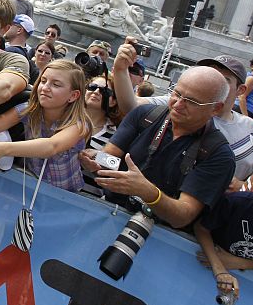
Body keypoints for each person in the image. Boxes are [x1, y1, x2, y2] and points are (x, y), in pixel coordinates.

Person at [79, 66, 235, 228]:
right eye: (177, 93)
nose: (178, 104)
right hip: (110, 214)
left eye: (191, 101)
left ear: (216, 108)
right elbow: (111, 159)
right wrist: (95, 159)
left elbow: (183, 216)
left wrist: (148, 192)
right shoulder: (144, 115)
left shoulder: (218, 154)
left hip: (158, 236)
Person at [112, 39, 253, 192]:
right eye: (210, 74)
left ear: (241, 90)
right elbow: (131, 106)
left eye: (225, 79)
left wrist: (244, 186)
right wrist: (120, 68)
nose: (215, 81)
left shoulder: (251, 128)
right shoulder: (177, 103)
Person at [0, 61, 93, 191]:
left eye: (56, 84)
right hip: (30, 186)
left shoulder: (79, 124)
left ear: (73, 95)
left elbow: (51, 146)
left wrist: (2, 149)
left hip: (64, 195)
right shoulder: (28, 109)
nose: (45, 87)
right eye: (43, 81)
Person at [194, 192, 253, 303]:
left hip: (250, 284)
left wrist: (240, 262)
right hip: (208, 267)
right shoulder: (237, 202)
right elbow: (201, 228)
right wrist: (219, 269)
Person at [237, 56, 253, 121]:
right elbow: (242, 96)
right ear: (252, 66)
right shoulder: (251, 79)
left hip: (248, 110)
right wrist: (246, 117)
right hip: (241, 109)